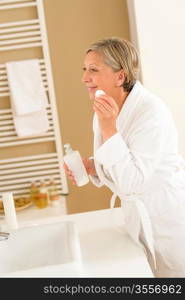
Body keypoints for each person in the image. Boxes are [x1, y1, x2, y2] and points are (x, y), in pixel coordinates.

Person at [64, 37, 185, 277]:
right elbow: (120, 157)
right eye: (85, 69)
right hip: (137, 217)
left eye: (93, 70)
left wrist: (109, 127)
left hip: (166, 218)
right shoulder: (106, 107)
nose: (84, 78)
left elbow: (133, 179)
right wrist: (93, 167)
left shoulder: (151, 112)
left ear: (120, 76)